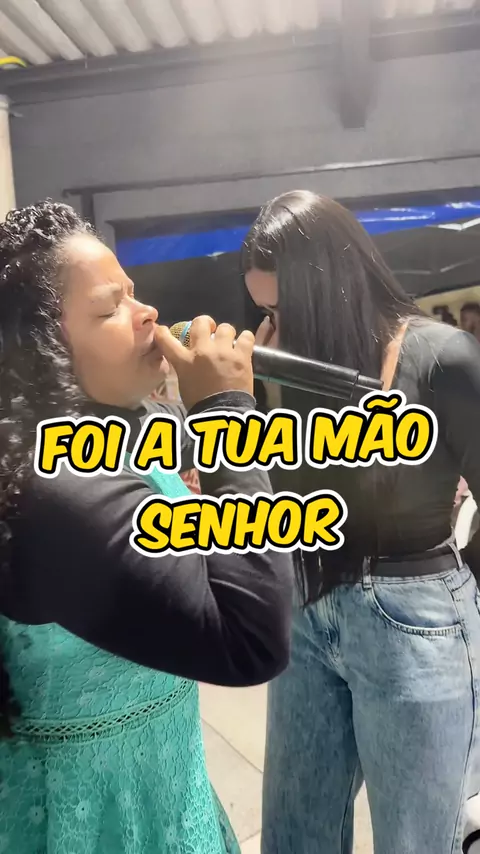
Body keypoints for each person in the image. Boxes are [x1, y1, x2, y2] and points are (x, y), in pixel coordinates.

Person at [0, 201, 294, 854]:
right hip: (88, 821)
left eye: (134, 293)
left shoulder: (113, 434)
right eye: (111, 308)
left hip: (168, 786)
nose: (148, 314)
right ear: (39, 347)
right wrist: (227, 413)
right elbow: (251, 638)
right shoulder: (51, 489)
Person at [240, 190, 480, 854]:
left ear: (329, 287)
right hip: (308, 607)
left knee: (416, 840)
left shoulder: (443, 358)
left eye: (283, 311)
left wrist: (460, 602)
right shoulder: (298, 365)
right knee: (295, 834)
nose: (272, 329)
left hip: (413, 616)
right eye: (264, 312)